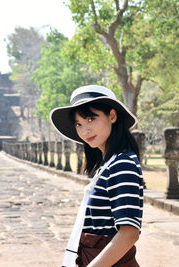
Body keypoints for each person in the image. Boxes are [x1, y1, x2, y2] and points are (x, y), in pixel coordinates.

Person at [50, 85, 143, 267]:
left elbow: (129, 233)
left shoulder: (122, 164)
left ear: (112, 116)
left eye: (91, 119)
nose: (85, 130)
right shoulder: (110, 164)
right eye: (79, 124)